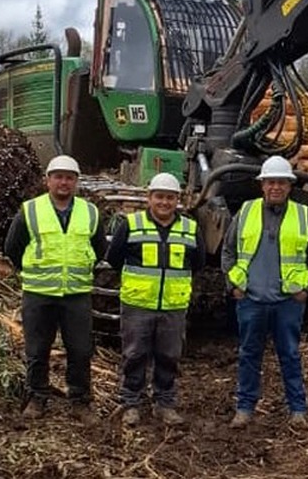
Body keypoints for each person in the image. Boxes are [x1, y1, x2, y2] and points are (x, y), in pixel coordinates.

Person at [221, 155, 308, 428]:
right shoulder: (245, 212)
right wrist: (233, 286)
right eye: (270, 182)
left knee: (290, 355)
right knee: (248, 355)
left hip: (288, 302)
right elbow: (228, 250)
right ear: (262, 185)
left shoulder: (303, 216)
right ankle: (244, 408)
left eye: (281, 182)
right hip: (251, 299)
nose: (275, 187)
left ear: (290, 186)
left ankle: (298, 410)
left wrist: (307, 288)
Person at [3, 154, 106, 422]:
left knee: (81, 350)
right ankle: (37, 397)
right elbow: (12, 248)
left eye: (69, 178)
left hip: (76, 295)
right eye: (58, 177)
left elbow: (98, 249)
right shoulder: (30, 210)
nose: (64, 182)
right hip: (39, 294)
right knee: (37, 350)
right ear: (47, 180)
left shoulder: (90, 212)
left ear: (76, 182)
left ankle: (80, 401)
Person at [105, 172, 205, 427]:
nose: (164, 203)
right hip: (138, 304)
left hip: (173, 306)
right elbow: (114, 257)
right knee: (134, 354)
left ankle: (165, 403)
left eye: (170, 198)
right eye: (159, 197)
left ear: (178, 200)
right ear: (149, 198)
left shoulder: (190, 228)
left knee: (169, 356)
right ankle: (131, 403)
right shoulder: (131, 224)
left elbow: (198, 263)